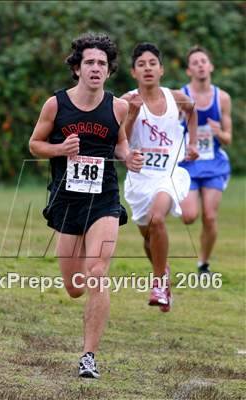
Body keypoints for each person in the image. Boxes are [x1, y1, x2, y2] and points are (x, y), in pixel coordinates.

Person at [29, 33, 143, 379]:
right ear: (77, 68)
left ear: (109, 72)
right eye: (90, 62)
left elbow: (119, 144)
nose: (96, 68)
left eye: (102, 64)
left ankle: (88, 356)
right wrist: (60, 149)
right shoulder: (56, 105)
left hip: (104, 199)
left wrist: (130, 157)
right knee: (74, 286)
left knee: (96, 272)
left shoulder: (118, 107)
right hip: (66, 200)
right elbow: (35, 144)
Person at [122, 43, 198, 312]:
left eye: (152, 63)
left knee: (157, 219)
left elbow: (192, 110)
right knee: (148, 237)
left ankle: (157, 283)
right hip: (140, 179)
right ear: (134, 72)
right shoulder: (127, 100)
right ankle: (162, 273)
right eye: (141, 64)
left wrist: (193, 143)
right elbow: (120, 139)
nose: (147, 68)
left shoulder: (175, 97)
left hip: (169, 174)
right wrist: (131, 114)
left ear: (161, 69)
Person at [179, 46, 232, 276]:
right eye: (195, 62)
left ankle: (203, 264)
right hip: (188, 164)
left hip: (214, 165)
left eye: (204, 61)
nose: (200, 65)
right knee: (190, 217)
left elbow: (228, 138)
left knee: (210, 217)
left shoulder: (222, 98)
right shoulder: (181, 96)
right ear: (189, 70)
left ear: (210, 66)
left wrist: (218, 132)